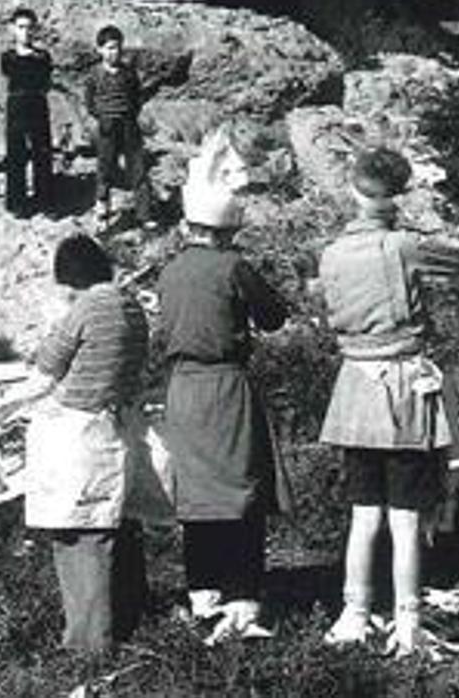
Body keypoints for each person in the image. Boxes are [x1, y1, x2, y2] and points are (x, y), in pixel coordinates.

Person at [317, 147, 459, 659]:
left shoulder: (331, 252)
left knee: (364, 515)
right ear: (398, 193)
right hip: (404, 386)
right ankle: (407, 618)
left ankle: (355, 612)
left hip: (354, 386)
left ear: (353, 189)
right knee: (406, 517)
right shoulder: (405, 246)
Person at [156, 132, 290, 643]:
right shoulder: (234, 266)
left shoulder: (169, 271)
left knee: (197, 497)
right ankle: (243, 599)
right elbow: (274, 317)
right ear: (227, 229)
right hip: (227, 385)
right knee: (241, 493)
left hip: (182, 389)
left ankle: (203, 596)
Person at [0, 234, 151, 651]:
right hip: (116, 429)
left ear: (67, 279)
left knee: (77, 538)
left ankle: (87, 642)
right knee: (114, 524)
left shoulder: (84, 308)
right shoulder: (131, 306)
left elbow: (44, 374)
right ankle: (128, 618)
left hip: (77, 434)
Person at [84, 24, 155, 230]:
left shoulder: (128, 73)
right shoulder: (94, 75)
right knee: (105, 170)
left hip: (129, 125)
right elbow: (89, 102)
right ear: (99, 50)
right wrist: (102, 117)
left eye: (116, 47)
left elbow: (136, 97)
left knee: (138, 169)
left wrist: (130, 116)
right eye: (108, 48)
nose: (113, 52)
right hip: (107, 127)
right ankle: (102, 214)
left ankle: (144, 215)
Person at [0, 7, 53, 218]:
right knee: (16, 155)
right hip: (16, 107)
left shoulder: (43, 56)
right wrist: (32, 61)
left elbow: (44, 80)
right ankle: (17, 203)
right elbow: (13, 71)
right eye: (21, 27)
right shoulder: (8, 56)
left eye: (30, 28)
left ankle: (46, 200)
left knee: (42, 152)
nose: (26, 32)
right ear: (12, 29)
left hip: (38, 105)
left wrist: (35, 59)